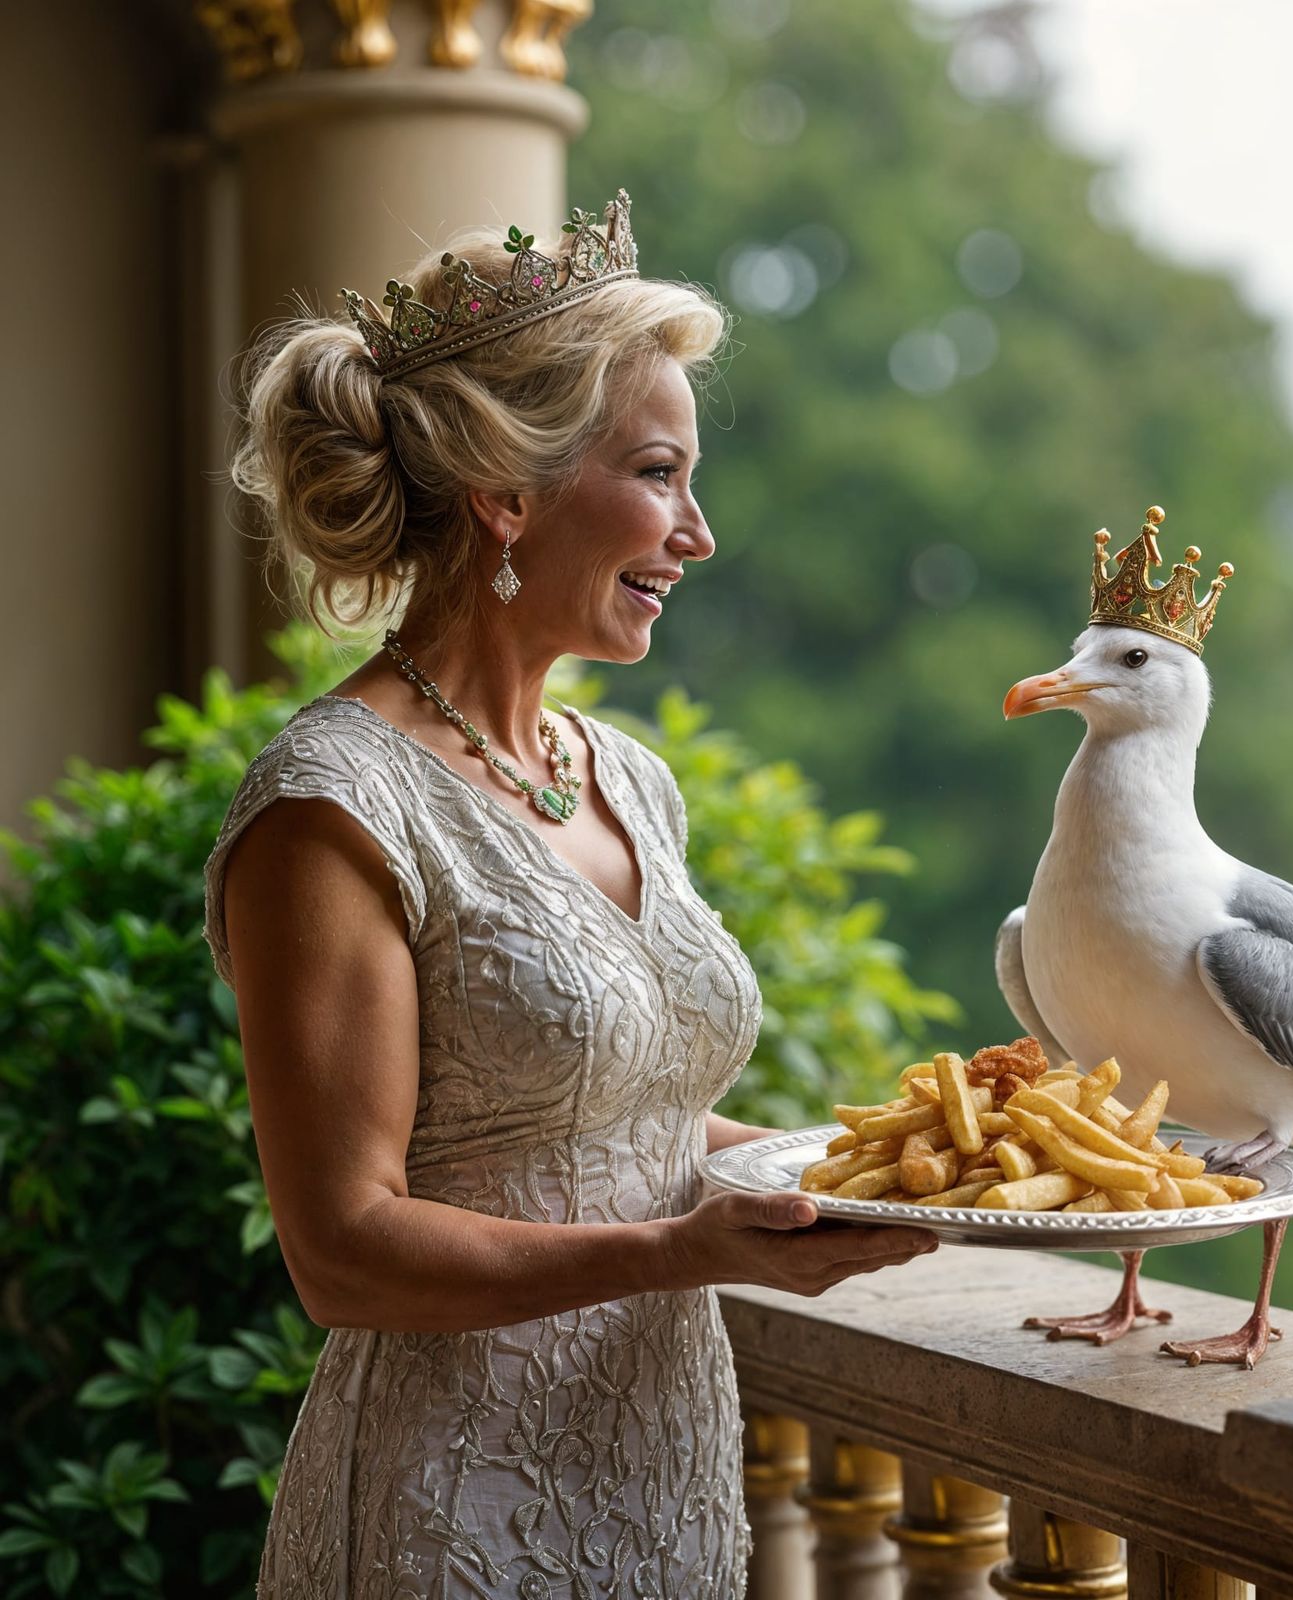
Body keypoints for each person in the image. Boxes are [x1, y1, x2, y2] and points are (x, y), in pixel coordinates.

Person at [204, 189, 939, 1598]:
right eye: (661, 473)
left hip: (666, 1475)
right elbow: (344, 1251)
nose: (697, 534)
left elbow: (620, 1109)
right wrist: (678, 1250)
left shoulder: (630, 779)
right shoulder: (332, 806)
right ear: (508, 493)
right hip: (450, 1507)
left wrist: (890, 1164)